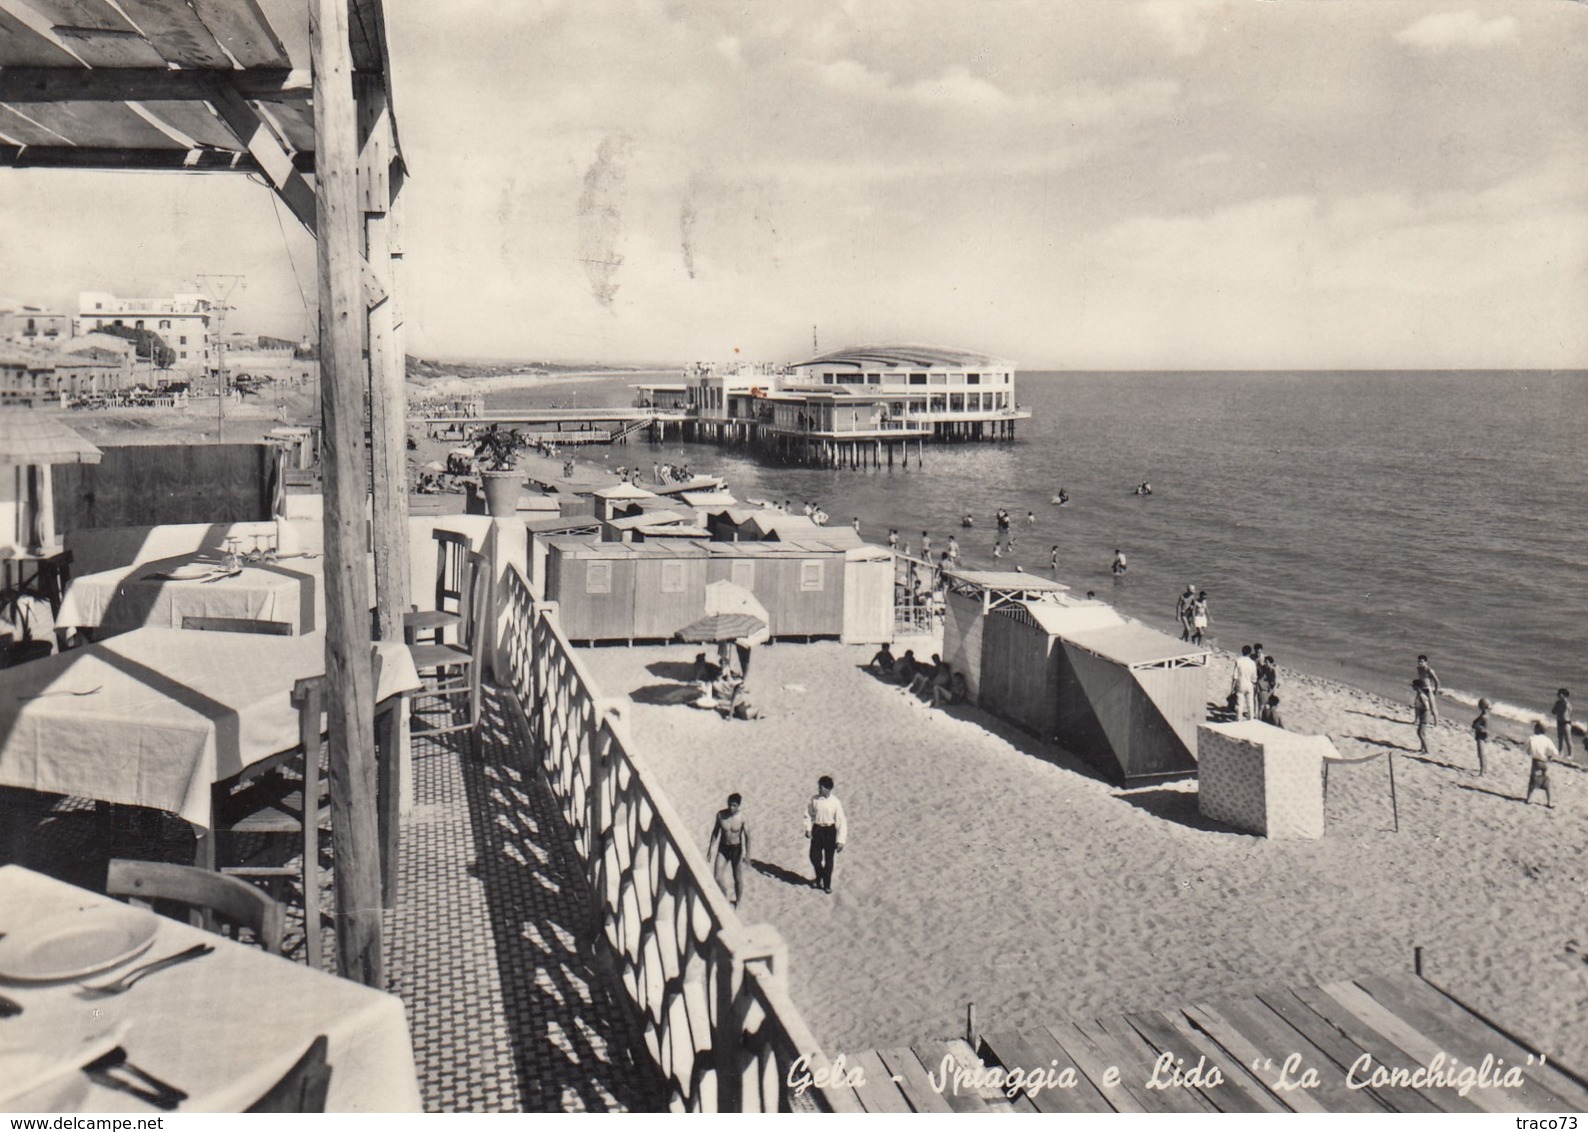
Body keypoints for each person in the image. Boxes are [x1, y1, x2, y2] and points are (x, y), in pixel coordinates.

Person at [804, 776, 847, 893]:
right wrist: (808, 829)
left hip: (830, 831)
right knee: (814, 857)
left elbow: (841, 822)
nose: (819, 789)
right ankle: (820, 876)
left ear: (828, 789)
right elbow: (808, 815)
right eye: (819, 786)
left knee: (829, 860)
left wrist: (841, 841)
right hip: (817, 830)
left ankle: (826, 885)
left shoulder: (835, 802)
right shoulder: (814, 800)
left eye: (821, 787)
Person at [707, 794, 751, 906]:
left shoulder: (742, 818)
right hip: (723, 848)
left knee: (737, 877)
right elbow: (715, 832)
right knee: (717, 877)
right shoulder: (721, 816)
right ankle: (725, 896)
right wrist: (710, 849)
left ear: (738, 805)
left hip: (736, 849)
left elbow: (747, 837)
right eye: (730, 805)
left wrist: (747, 854)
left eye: (734, 805)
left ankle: (738, 901)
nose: (731, 808)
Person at [1524, 721, 1558, 808]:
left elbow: (1526, 749)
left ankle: (1528, 799)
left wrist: (1529, 752)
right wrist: (1549, 757)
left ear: (1537, 729)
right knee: (1546, 782)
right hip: (1544, 762)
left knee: (1533, 781)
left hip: (1536, 762)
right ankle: (1549, 802)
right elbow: (1555, 752)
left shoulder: (1532, 738)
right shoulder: (1547, 740)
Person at [1232, 645, 1258, 721]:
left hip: (1240, 683)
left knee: (1240, 703)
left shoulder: (1238, 661)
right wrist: (1253, 683)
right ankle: (1250, 719)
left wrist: (1233, 686)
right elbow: (1254, 677)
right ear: (1250, 653)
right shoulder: (1252, 663)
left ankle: (1238, 719)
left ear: (1242, 651)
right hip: (1249, 684)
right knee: (1250, 703)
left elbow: (1235, 675)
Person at [1412, 679, 1435, 754]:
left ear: (1417, 687)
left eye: (1413, 685)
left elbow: (1426, 707)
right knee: (1422, 732)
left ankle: (1426, 750)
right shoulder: (1420, 694)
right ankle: (1422, 748)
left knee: (1420, 733)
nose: (1412, 686)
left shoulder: (1421, 695)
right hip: (1424, 715)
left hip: (1424, 715)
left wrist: (1417, 706)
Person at [1416, 655, 1441, 723]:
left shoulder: (1429, 670)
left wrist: (1436, 690)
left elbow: (1437, 681)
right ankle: (1416, 720)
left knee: (1433, 708)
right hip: (1421, 689)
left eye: (1421, 662)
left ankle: (1436, 723)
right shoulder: (1418, 668)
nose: (1420, 663)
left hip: (1428, 689)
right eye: (1419, 661)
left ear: (1426, 662)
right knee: (1417, 705)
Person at [1472, 698, 1491, 777]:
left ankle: (1482, 771)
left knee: (1481, 753)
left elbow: (1475, 724)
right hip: (1485, 735)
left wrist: (1476, 727)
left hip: (1481, 735)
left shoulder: (1483, 716)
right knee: (1484, 753)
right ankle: (1485, 768)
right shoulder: (1487, 715)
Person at [1553, 689, 1574, 757]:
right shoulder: (1558, 703)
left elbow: (1569, 711)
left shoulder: (1567, 703)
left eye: (1560, 694)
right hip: (1559, 722)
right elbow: (1553, 711)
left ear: (1564, 695)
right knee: (1560, 738)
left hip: (1566, 722)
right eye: (1558, 694)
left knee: (1568, 739)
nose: (1558, 695)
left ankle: (1570, 754)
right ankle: (1560, 753)